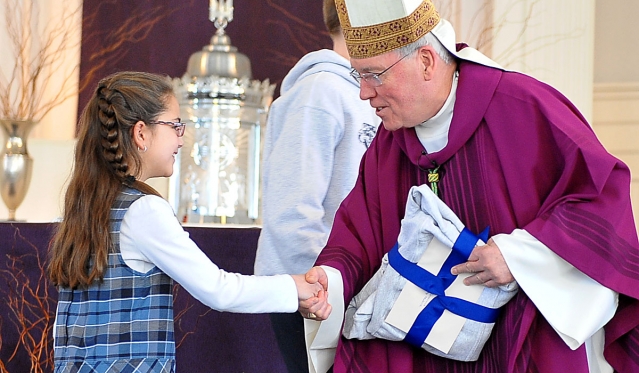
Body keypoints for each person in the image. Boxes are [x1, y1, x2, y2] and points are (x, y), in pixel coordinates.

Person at [300, 0, 639, 372]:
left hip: (522, 342)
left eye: (374, 75)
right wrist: (328, 281)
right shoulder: (389, 144)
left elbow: (601, 196)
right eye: (358, 76)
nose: (364, 93)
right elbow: (358, 237)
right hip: (424, 350)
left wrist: (519, 256)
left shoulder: (523, 106)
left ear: (427, 61)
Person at [47, 71, 329, 372]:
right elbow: (218, 289)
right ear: (141, 133)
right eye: (175, 126)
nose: (182, 139)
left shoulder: (81, 207)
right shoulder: (144, 211)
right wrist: (294, 287)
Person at [253, 0, 379, 372]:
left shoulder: (370, 88)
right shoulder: (319, 91)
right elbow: (292, 208)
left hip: (354, 284)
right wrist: (318, 287)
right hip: (316, 288)